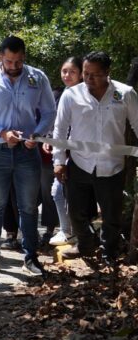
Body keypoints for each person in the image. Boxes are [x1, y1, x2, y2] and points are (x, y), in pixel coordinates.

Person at [0, 35, 56, 275]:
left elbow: (49, 111)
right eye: (9, 61)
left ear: (24, 57)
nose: (14, 66)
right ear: (0, 57)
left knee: (28, 207)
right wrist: (0, 132)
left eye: (18, 61)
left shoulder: (37, 77)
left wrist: (36, 135)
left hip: (28, 152)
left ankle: (31, 258)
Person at [55, 52, 138, 264]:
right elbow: (60, 129)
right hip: (79, 163)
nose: (89, 79)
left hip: (112, 165)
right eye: (86, 73)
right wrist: (59, 161)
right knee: (76, 212)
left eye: (96, 75)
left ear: (108, 73)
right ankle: (85, 244)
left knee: (111, 215)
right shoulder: (72, 95)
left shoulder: (125, 93)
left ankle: (108, 251)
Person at [47, 56, 82, 246]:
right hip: (60, 153)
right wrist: (49, 138)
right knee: (58, 190)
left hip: (80, 153)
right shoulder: (59, 94)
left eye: (72, 71)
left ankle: (73, 232)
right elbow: (57, 124)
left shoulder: (85, 94)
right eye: (64, 71)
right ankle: (67, 231)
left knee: (62, 191)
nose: (67, 75)